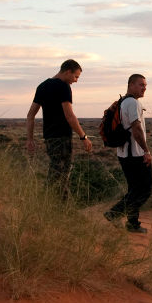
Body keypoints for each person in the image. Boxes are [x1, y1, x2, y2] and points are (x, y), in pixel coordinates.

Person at [26, 59, 93, 199]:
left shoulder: (42, 86)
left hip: (49, 138)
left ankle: (52, 204)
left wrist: (30, 139)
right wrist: (83, 137)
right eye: (76, 76)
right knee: (61, 175)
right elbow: (70, 116)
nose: (76, 81)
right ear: (68, 71)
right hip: (62, 138)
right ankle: (56, 206)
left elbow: (30, 115)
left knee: (56, 170)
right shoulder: (63, 87)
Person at [103, 74, 152, 233]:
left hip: (124, 154)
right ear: (131, 85)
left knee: (134, 190)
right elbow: (137, 129)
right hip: (135, 155)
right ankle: (114, 214)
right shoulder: (132, 102)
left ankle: (132, 223)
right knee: (144, 189)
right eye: (140, 84)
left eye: (145, 85)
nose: (144, 87)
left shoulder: (123, 101)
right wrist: (146, 151)